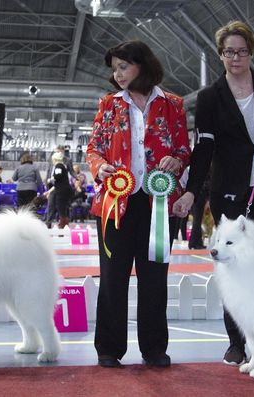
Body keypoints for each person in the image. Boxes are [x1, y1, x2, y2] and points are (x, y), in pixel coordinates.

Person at [172, 20, 254, 366]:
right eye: (229, 52)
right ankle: (236, 343)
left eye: (242, 51)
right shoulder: (210, 97)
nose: (236, 57)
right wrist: (191, 192)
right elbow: (203, 149)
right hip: (228, 191)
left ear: (251, 51)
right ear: (220, 54)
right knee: (231, 267)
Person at [87, 40, 191, 368]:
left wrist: (177, 160)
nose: (117, 74)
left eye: (123, 66)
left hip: (157, 204)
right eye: (114, 68)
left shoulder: (173, 104)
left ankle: (154, 348)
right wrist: (98, 166)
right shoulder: (108, 104)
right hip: (116, 203)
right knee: (113, 278)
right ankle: (108, 348)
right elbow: (94, 148)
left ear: (141, 65)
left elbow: (184, 149)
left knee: (155, 279)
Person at [44, 152, 73, 229]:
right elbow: (58, 183)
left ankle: (63, 226)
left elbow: (58, 176)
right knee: (61, 209)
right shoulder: (61, 166)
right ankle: (63, 226)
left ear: (54, 159)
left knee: (61, 209)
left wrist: (50, 179)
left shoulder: (58, 166)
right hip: (62, 190)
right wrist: (49, 191)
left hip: (62, 192)